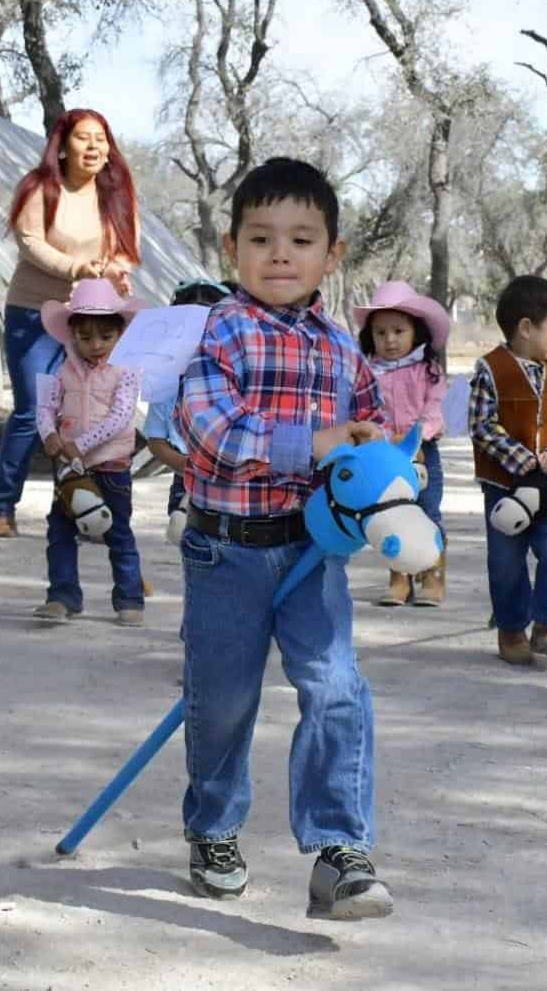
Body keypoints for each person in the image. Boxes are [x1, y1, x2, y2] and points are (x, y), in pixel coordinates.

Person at [176, 157, 394, 921]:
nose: (280, 254)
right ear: (232, 248)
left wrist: (382, 465)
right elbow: (212, 433)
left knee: (335, 689)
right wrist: (317, 439)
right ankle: (213, 828)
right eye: (261, 238)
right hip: (224, 551)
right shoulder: (220, 332)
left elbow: (372, 432)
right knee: (224, 703)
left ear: (331, 256)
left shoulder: (341, 347)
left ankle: (341, 853)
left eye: (301, 240)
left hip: (314, 555)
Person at [0, 108, 142, 537]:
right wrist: (79, 267)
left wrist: (114, 269)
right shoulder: (40, 188)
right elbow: (30, 242)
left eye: (100, 138)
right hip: (35, 312)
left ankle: (84, 508)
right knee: (32, 411)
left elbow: (128, 247)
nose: (93, 146)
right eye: (83, 138)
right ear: (63, 145)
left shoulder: (118, 193)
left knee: (88, 412)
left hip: (93, 317)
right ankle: (3, 504)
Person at [469, 275, 547, 664]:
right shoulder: (490, 369)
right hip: (503, 485)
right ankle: (511, 629)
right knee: (506, 559)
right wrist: (524, 462)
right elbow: (483, 425)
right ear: (525, 328)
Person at [33, 277, 147, 626]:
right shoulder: (62, 370)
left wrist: (79, 445)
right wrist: (50, 434)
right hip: (70, 471)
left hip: (110, 466)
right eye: (85, 337)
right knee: (61, 531)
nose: (95, 344)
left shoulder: (126, 373)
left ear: (120, 334)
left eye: (105, 336)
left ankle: (129, 599)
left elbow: (120, 417)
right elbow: (45, 407)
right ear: (73, 336)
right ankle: (62, 596)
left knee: (118, 532)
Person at [354, 280, 451, 607]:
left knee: (426, 510)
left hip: (423, 452)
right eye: (381, 333)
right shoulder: (368, 372)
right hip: (385, 455)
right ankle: (399, 578)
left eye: (398, 331)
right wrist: (380, 435)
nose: (390, 339)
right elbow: (365, 410)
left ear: (416, 332)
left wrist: (418, 435)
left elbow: (434, 407)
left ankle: (432, 575)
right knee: (392, 514)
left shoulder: (429, 370)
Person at [142, 277, 232, 528]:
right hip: (186, 479)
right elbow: (156, 440)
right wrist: (185, 466)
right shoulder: (165, 381)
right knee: (185, 534)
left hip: (234, 481)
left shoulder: (240, 377)